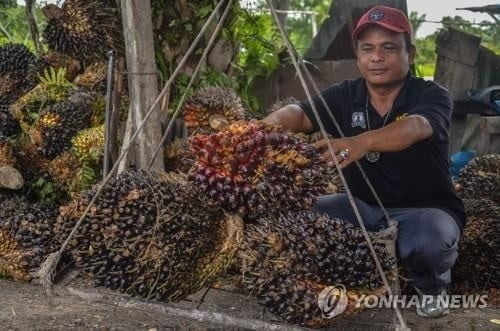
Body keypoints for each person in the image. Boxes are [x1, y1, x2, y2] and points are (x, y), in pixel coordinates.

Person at [264, 5, 465, 318]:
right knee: (302, 216)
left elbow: (416, 127)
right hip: (361, 207)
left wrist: (361, 142)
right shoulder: (344, 94)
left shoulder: (431, 94)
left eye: (388, 48)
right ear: (358, 56)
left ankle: (432, 288)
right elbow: (301, 114)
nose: (377, 57)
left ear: (409, 54)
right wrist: (263, 128)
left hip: (425, 210)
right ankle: (332, 286)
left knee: (427, 242)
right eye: (367, 49)